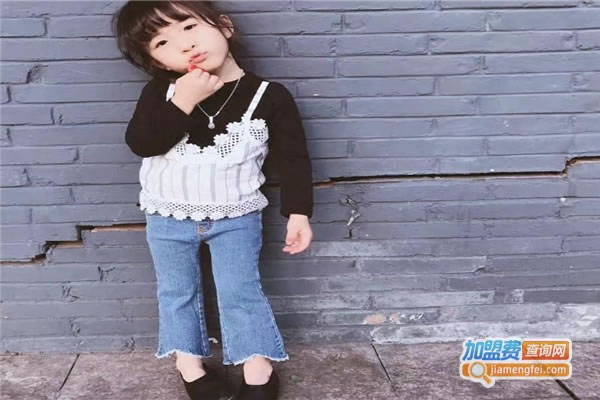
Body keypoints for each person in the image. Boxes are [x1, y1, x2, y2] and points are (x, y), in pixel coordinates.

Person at [111, 1, 314, 399]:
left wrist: (298, 213)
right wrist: (183, 100)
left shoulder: (269, 96)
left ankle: (257, 366)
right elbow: (143, 143)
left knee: (240, 291)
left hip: (236, 216)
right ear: (156, 62)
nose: (184, 44)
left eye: (189, 27)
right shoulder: (161, 92)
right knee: (177, 292)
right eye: (162, 42)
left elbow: (293, 159)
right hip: (167, 215)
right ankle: (188, 364)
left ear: (224, 26)